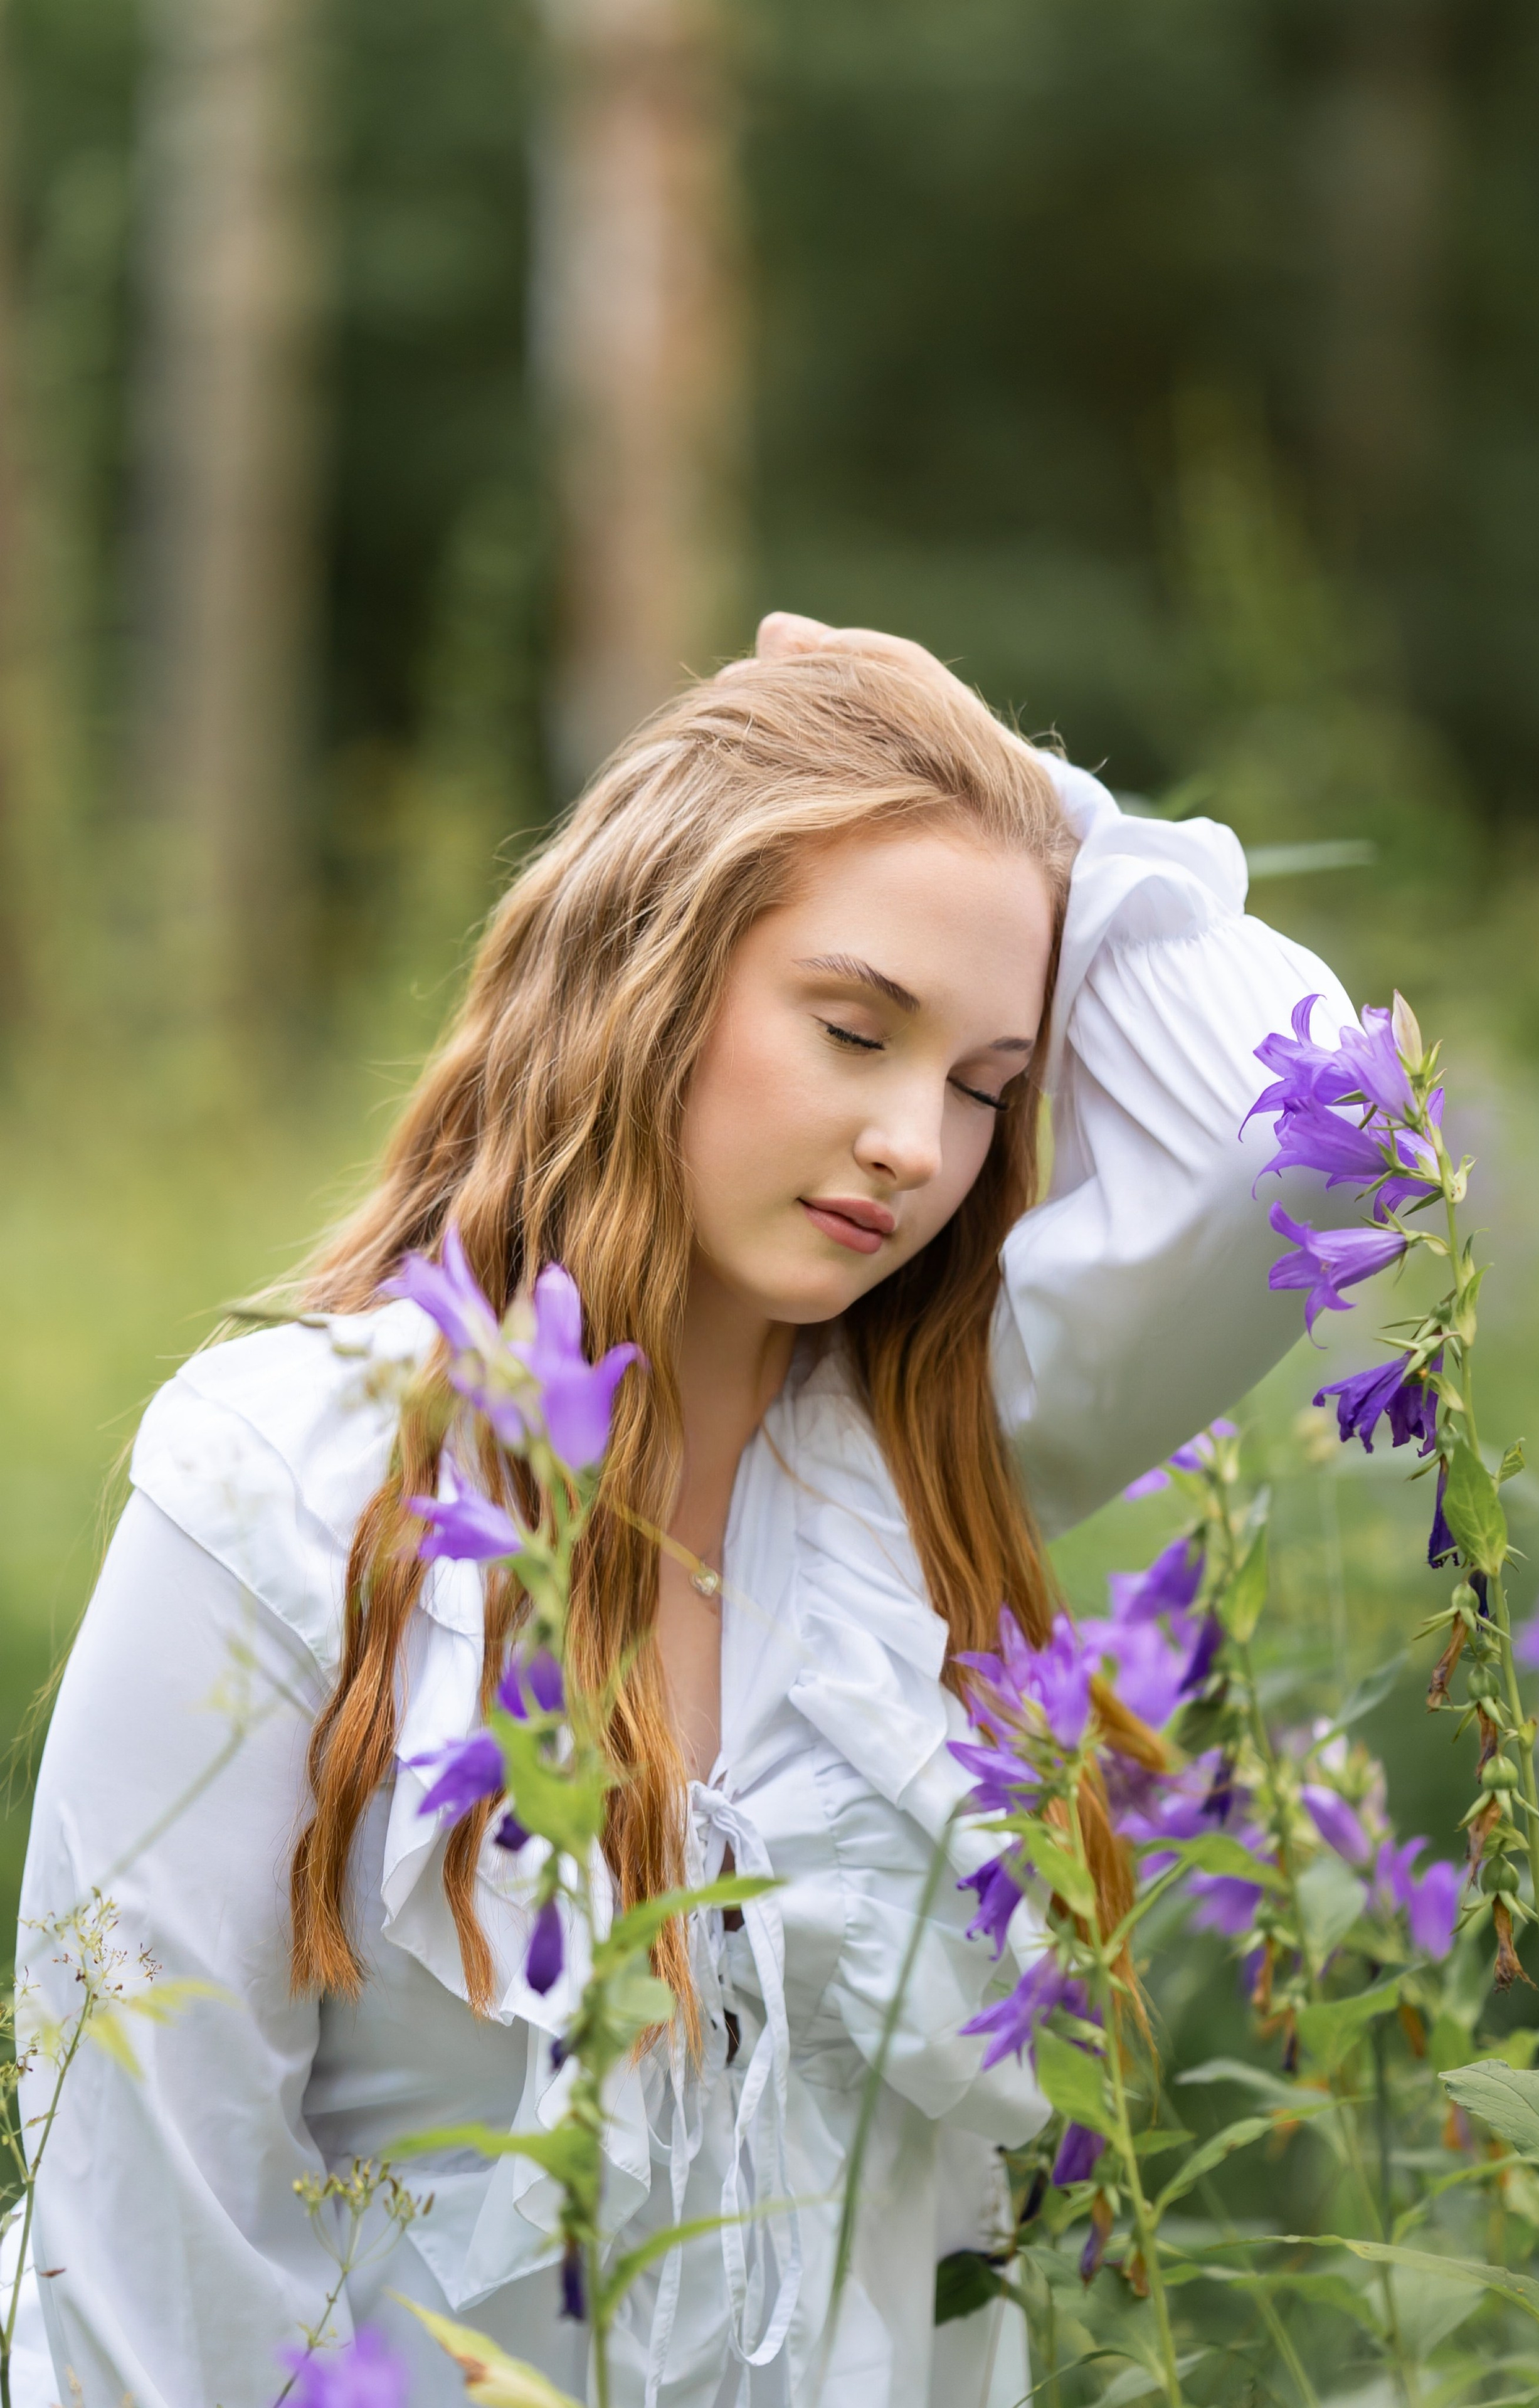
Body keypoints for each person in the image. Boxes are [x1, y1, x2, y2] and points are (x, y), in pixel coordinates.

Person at [16, 617, 1352, 2408]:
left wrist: (1026, 801)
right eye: (854, 1028)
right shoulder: (290, 1475)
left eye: (983, 1089)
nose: (914, 1145)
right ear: (652, 963)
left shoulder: (927, 1470)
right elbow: (139, 2233)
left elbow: (1311, 1133)